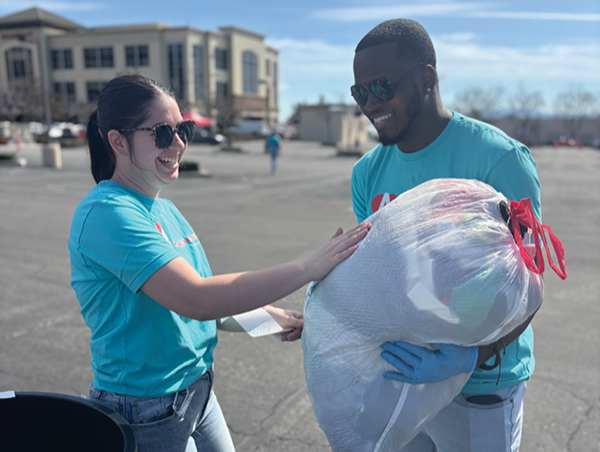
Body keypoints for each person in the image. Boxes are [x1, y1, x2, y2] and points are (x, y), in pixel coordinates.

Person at [68, 75, 370, 452]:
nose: (178, 143)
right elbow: (198, 299)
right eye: (162, 132)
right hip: (145, 406)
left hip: (195, 391)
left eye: (184, 129)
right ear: (117, 141)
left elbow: (205, 306)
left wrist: (273, 318)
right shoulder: (106, 214)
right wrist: (308, 268)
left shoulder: (164, 209)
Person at [350, 19, 541, 451]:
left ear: (427, 78)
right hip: (406, 377)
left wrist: (474, 355)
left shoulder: (499, 160)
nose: (369, 103)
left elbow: (531, 283)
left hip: (483, 387)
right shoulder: (367, 173)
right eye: (359, 93)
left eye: (381, 86)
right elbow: (380, 274)